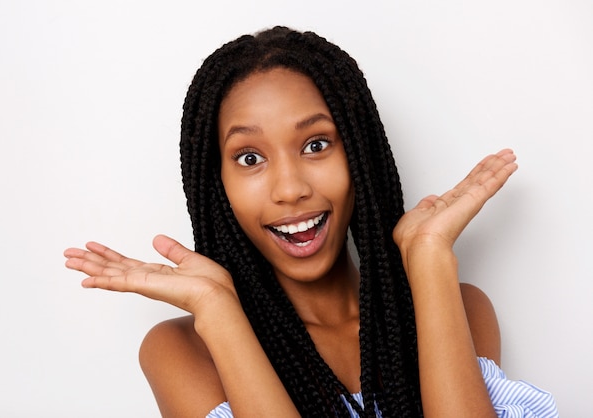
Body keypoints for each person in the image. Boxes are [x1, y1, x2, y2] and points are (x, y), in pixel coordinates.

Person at [64, 27, 558, 417]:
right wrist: (219, 313)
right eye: (249, 158)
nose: (289, 188)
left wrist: (428, 257)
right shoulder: (182, 351)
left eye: (316, 145)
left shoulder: (458, 306)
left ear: (360, 154)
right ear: (218, 186)